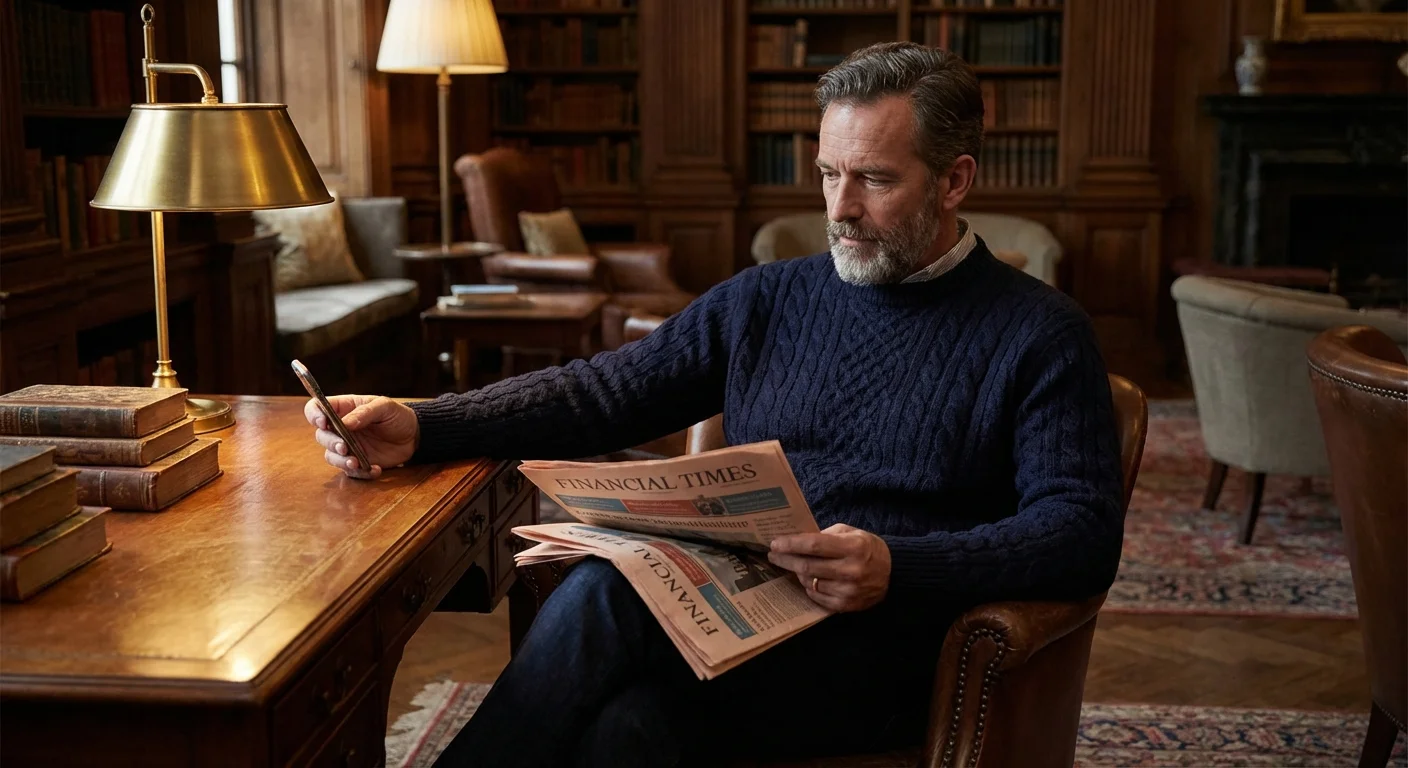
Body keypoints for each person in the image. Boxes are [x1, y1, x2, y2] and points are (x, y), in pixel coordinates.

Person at [305, 41, 1123, 767]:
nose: (839, 210)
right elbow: (604, 392)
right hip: (739, 621)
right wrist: (426, 421)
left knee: (601, 597)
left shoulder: (1040, 332)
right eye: (830, 174)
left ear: (955, 180)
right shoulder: (768, 300)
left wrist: (897, 566)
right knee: (626, 731)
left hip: (893, 651)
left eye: (874, 179)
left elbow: (1080, 532)